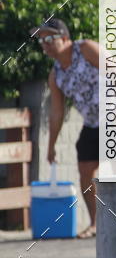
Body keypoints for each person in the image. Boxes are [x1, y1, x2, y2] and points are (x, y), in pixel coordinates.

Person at [31, 18, 100, 239]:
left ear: (65, 37)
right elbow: (57, 113)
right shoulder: (56, 75)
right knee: (85, 171)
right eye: (42, 40)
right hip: (92, 123)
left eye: (50, 38)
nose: (46, 44)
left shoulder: (85, 48)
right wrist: (51, 147)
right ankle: (96, 223)